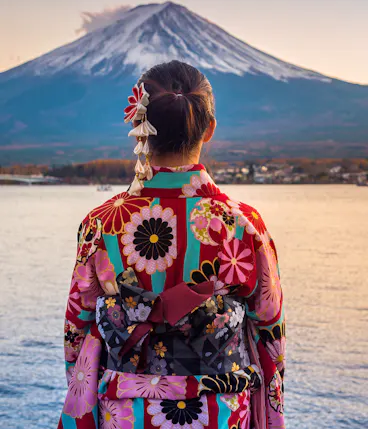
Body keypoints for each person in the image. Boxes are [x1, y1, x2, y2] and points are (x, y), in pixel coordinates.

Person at [58, 60, 285, 429]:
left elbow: (76, 330)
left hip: (127, 410)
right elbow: (270, 335)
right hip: (221, 410)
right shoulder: (244, 224)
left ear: (139, 128)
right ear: (209, 130)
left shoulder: (102, 223)